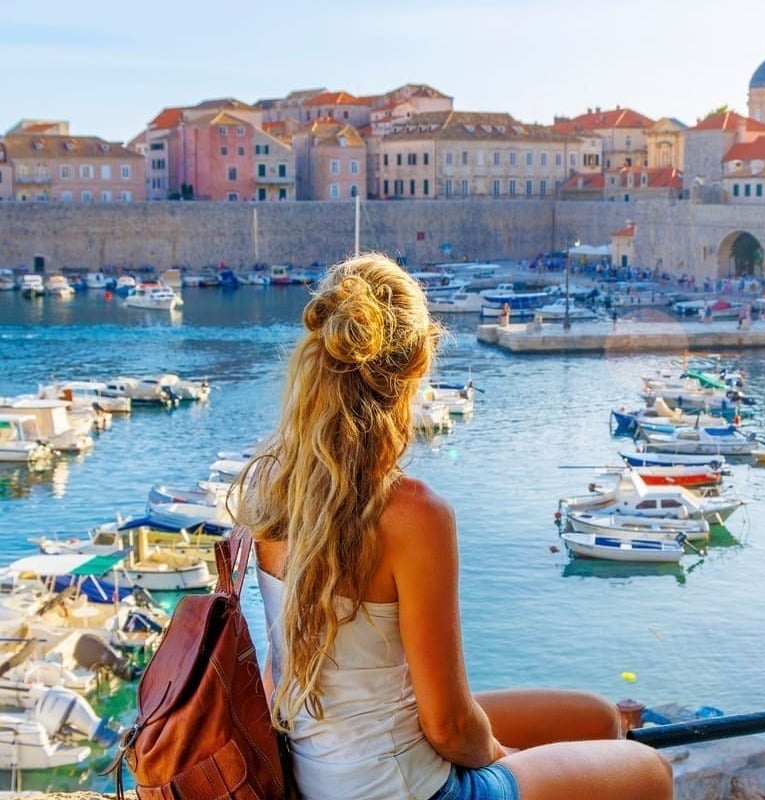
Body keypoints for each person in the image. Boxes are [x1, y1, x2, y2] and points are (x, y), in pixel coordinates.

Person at [235, 254, 673, 800]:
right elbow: (448, 728)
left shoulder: (272, 487)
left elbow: (286, 676)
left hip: (320, 777)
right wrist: (503, 763)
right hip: (406, 790)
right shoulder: (412, 513)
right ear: (414, 373)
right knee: (648, 770)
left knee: (597, 717)